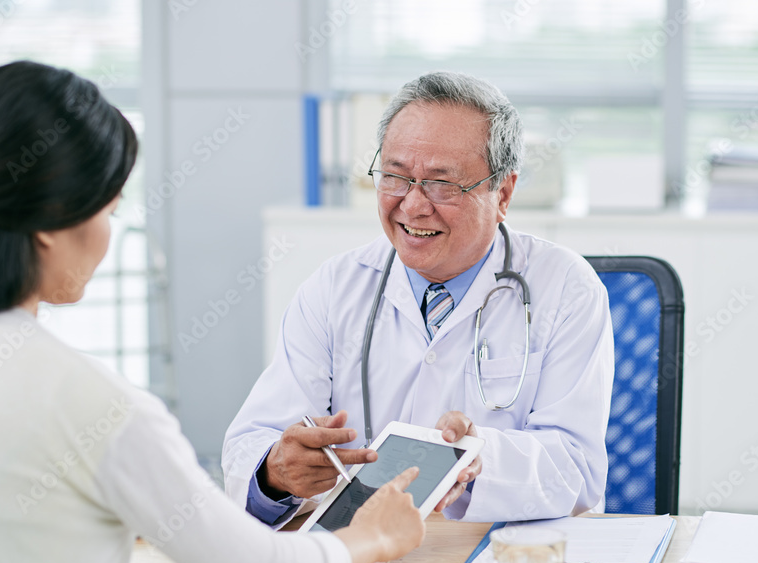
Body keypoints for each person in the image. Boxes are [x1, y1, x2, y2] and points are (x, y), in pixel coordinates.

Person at [0, 61, 425, 563]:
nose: (106, 234)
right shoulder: (94, 407)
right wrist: (374, 535)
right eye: (110, 209)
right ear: (50, 225)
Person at [223, 71, 613, 527]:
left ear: (502, 192)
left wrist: (479, 458)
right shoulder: (334, 289)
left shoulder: (566, 289)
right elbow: (254, 440)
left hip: (496, 562)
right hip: (358, 559)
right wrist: (274, 473)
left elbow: (577, 471)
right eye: (395, 176)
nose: (412, 206)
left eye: (441, 184)